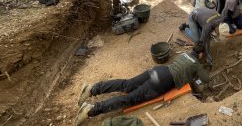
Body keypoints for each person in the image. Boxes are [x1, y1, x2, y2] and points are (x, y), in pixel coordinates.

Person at [74, 44, 209, 125]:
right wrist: (201, 69)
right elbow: (206, 78)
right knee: (130, 99)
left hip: (158, 70)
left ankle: (92, 88)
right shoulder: (196, 64)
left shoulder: (184, 54)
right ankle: (91, 109)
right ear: (201, 54)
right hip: (162, 82)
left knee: (127, 84)